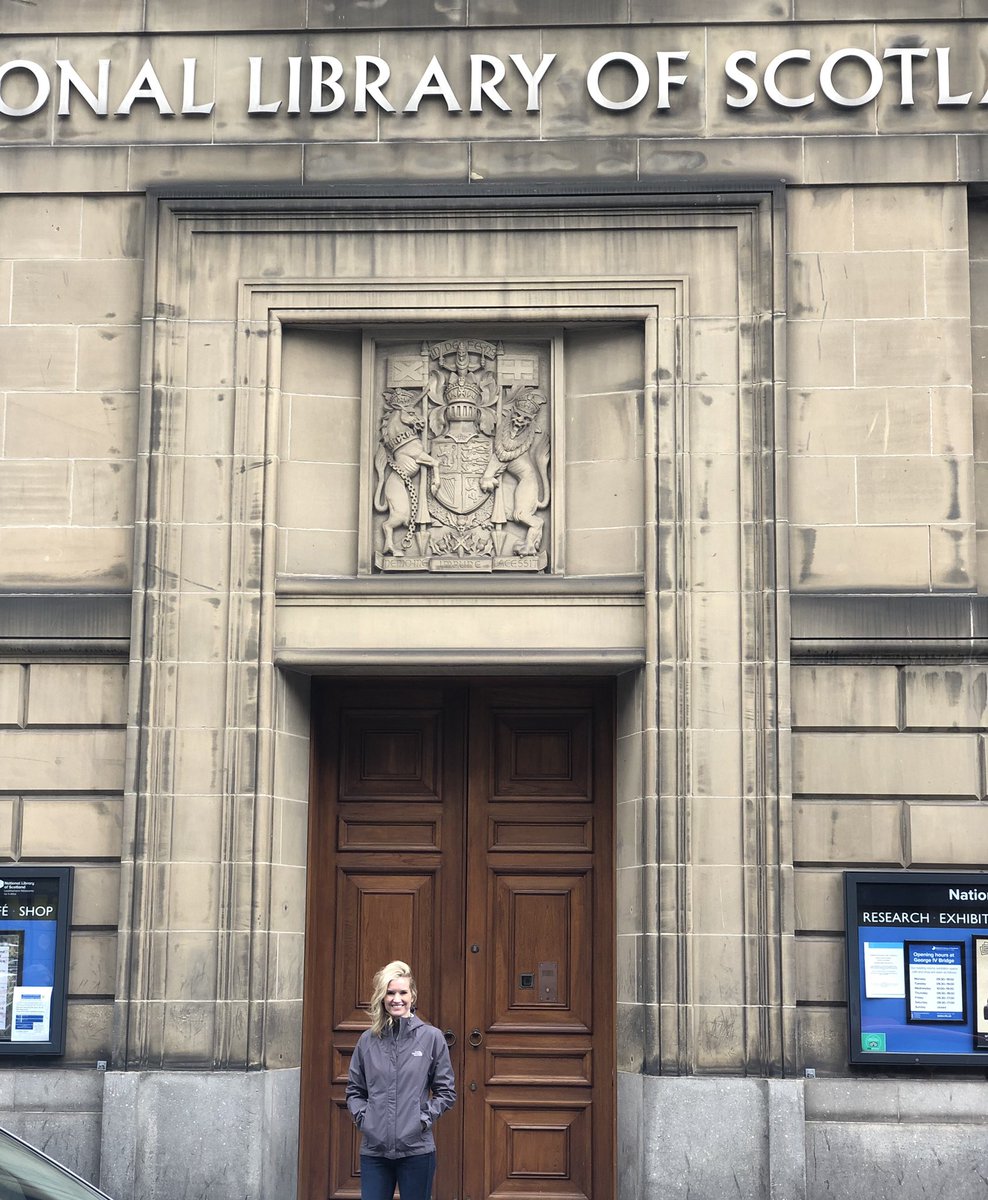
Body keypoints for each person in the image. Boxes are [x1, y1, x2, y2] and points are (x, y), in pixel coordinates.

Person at [346, 960, 456, 1200]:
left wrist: (422, 1120)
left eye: (402, 992)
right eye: (390, 992)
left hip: (417, 1150)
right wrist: (366, 1121)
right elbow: (354, 1090)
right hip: (375, 1152)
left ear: (412, 995)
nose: (397, 999)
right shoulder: (367, 1041)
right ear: (382, 997)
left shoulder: (431, 1038)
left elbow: (446, 1092)